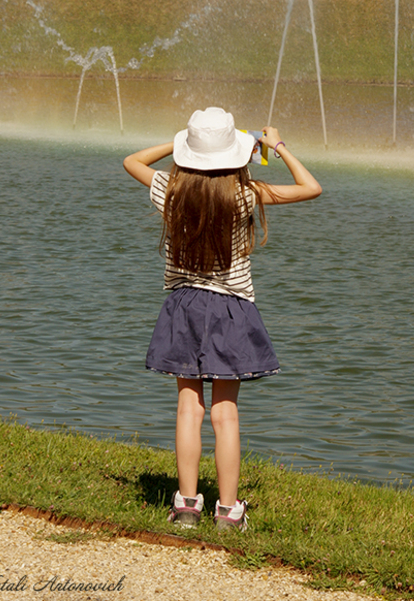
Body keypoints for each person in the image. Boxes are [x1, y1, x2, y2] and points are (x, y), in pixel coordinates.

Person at [123, 107, 321, 531]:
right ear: (235, 157)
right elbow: (311, 187)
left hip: (184, 306)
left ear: (188, 155)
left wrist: (180, 141)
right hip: (231, 309)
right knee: (225, 414)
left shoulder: (170, 191)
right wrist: (275, 145)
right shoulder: (246, 195)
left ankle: (187, 506)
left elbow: (132, 161)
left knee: (187, 410)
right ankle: (228, 512)